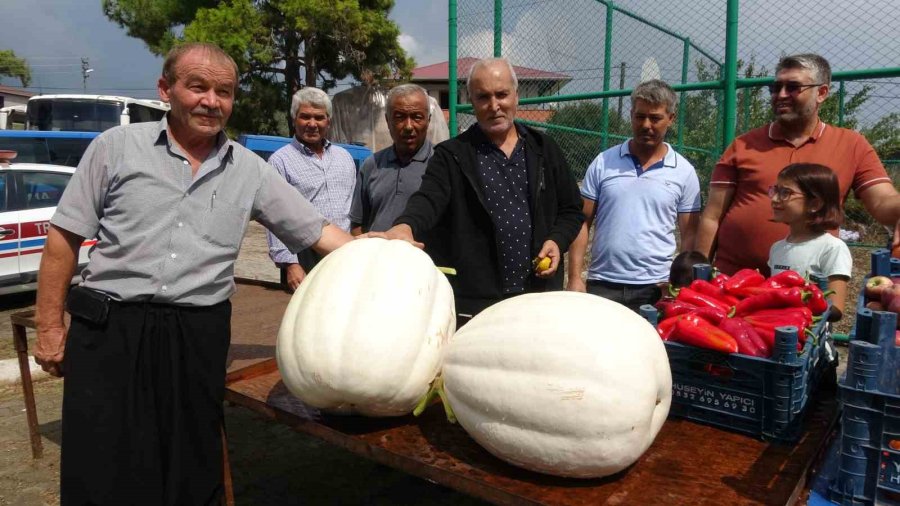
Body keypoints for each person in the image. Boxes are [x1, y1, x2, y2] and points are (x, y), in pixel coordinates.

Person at [33, 43, 352, 505]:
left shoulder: (251, 170)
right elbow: (62, 240)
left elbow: (317, 231)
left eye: (224, 92)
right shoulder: (115, 148)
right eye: (198, 87)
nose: (211, 101)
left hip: (197, 334)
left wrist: (380, 249)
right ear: (166, 89)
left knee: (190, 466)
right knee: (102, 465)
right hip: (110, 329)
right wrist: (48, 327)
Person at [368, 57, 584, 321]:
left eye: (501, 94)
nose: (494, 106)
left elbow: (571, 209)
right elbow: (428, 200)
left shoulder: (544, 148)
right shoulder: (452, 155)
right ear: (471, 101)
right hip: (477, 305)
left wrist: (556, 240)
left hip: (538, 296)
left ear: (516, 96)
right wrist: (405, 226)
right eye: (483, 97)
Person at [695, 53, 900, 275]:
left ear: (821, 93)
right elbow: (712, 216)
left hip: (806, 288)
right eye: (776, 88)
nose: (781, 95)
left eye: (793, 87)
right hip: (734, 282)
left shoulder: (852, 145)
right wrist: (697, 273)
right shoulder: (743, 145)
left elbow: (883, 201)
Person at [566, 79, 701, 312]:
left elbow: (690, 233)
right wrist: (575, 277)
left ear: (671, 118)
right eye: (640, 116)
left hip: (655, 288)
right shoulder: (604, 162)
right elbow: (582, 222)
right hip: (602, 284)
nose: (646, 125)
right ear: (631, 115)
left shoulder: (684, 172)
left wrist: (678, 284)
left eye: (655, 118)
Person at [266, 87, 357, 291]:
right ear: (294, 119)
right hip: (303, 257)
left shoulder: (344, 158)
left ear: (328, 121)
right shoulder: (280, 161)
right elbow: (274, 217)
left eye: (319, 117)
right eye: (305, 116)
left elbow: (352, 208)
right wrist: (290, 264)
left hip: (343, 254)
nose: (312, 124)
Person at [767, 163, 851, 320]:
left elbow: (835, 308)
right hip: (776, 327)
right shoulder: (777, 248)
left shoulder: (832, 248)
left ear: (814, 204)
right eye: (776, 190)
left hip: (810, 333)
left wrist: (796, 306)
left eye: (785, 193)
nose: (775, 199)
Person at [350, 84, 432, 234]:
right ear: (388, 121)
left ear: (428, 120)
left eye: (417, 117)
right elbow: (357, 224)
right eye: (400, 117)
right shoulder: (372, 165)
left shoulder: (440, 165)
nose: (408, 126)